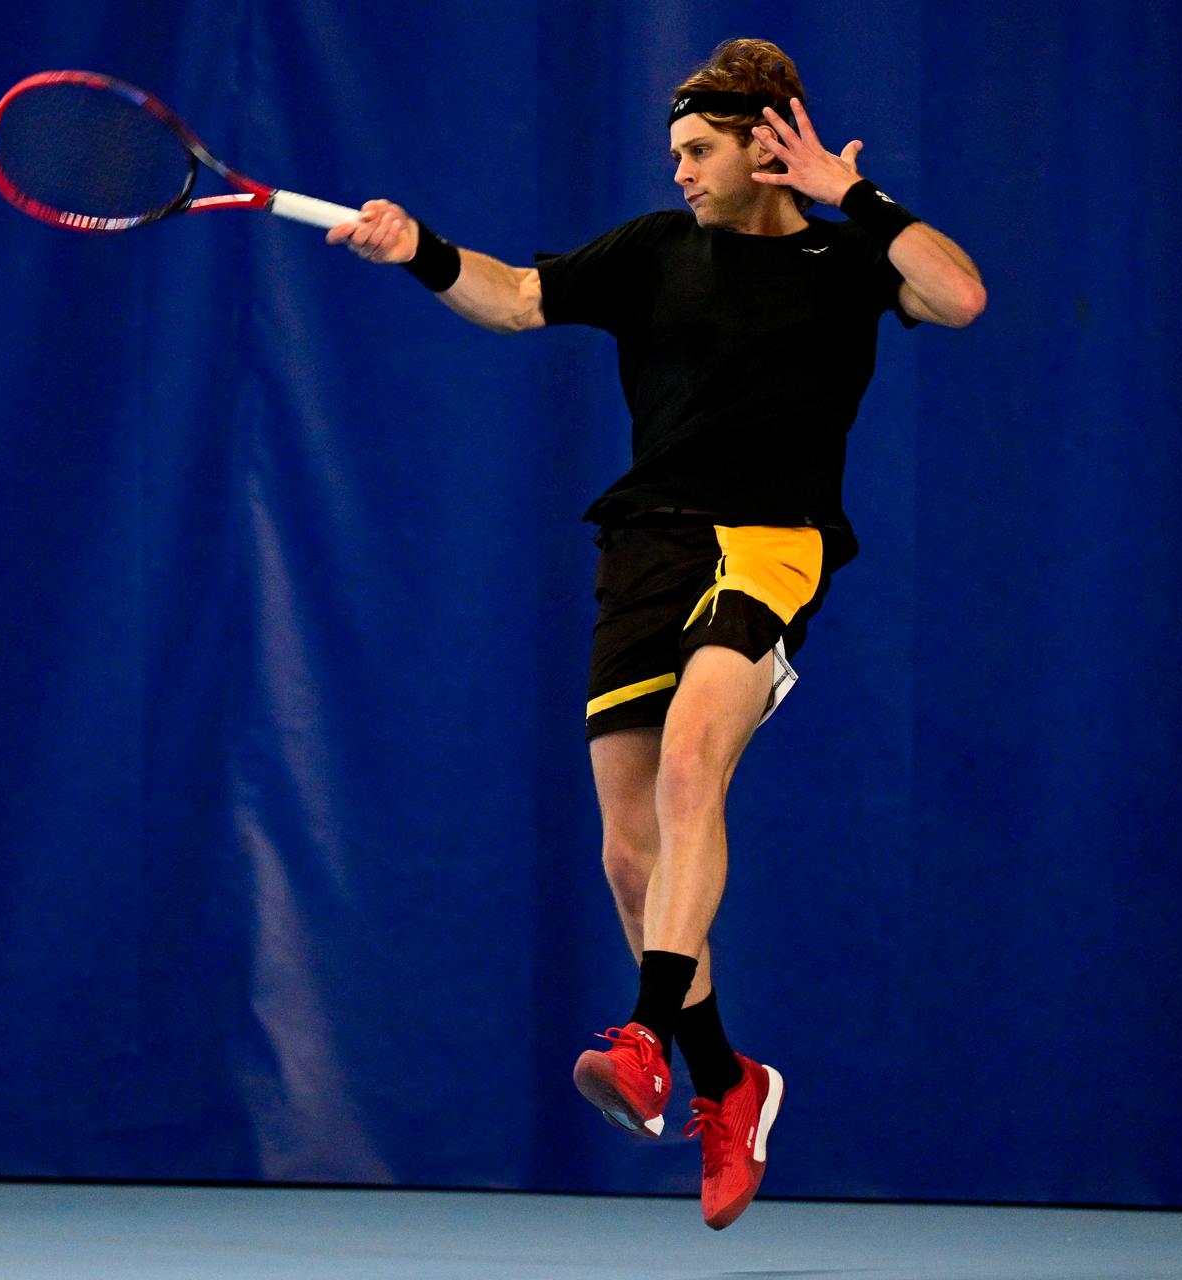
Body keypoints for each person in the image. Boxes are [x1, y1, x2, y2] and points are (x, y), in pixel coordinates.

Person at [325, 38, 984, 1229]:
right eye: (672, 150)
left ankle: (644, 1034)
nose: (677, 168)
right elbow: (519, 298)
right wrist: (413, 248)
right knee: (631, 855)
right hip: (642, 549)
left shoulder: (846, 258)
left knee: (693, 759)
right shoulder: (648, 250)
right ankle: (728, 1077)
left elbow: (960, 293)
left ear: (761, 145)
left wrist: (856, 194)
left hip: (770, 541)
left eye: (697, 149)